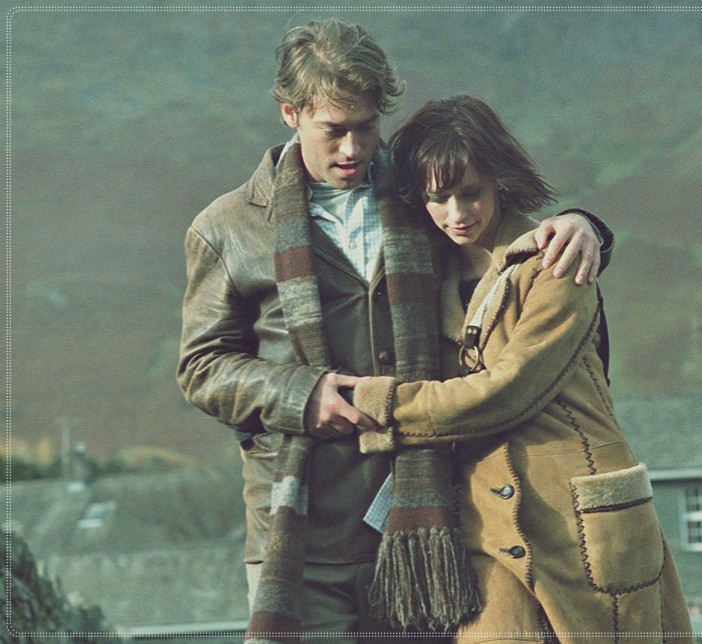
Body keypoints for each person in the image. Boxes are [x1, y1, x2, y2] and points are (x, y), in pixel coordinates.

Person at [176, 18, 609, 642]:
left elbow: (505, 244)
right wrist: (301, 395)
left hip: (427, 523)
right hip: (300, 529)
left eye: (367, 126)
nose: (353, 149)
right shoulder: (226, 228)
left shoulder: (422, 196)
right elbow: (202, 368)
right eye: (334, 130)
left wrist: (584, 224)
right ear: (289, 113)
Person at [350, 95, 693, 642]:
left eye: (471, 193)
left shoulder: (556, 263)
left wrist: (379, 408)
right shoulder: (423, 279)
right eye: (438, 198)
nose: (457, 214)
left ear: (500, 181)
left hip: (581, 524)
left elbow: (507, 391)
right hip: (485, 531)